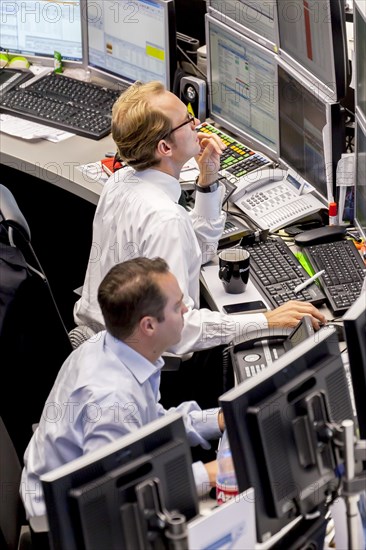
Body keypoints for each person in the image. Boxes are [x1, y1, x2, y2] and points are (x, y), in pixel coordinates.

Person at [73, 80, 326, 407]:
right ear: (165, 147)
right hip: (155, 371)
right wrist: (266, 320)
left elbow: (198, 253)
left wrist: (207, 181)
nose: (197, 125)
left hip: (104, 347)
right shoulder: (165, 219)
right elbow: (179, 335)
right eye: (187, 121)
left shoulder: (121, 182)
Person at [20, 258, 224, 518]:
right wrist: (207, 475)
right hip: (67, 524)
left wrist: (216, 420)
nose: (185, 309)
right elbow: (119, 500)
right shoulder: (112, 402)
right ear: (148, 325)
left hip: (90, 489)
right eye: (176, 306)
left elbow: (150, 423)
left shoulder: (115, 347)